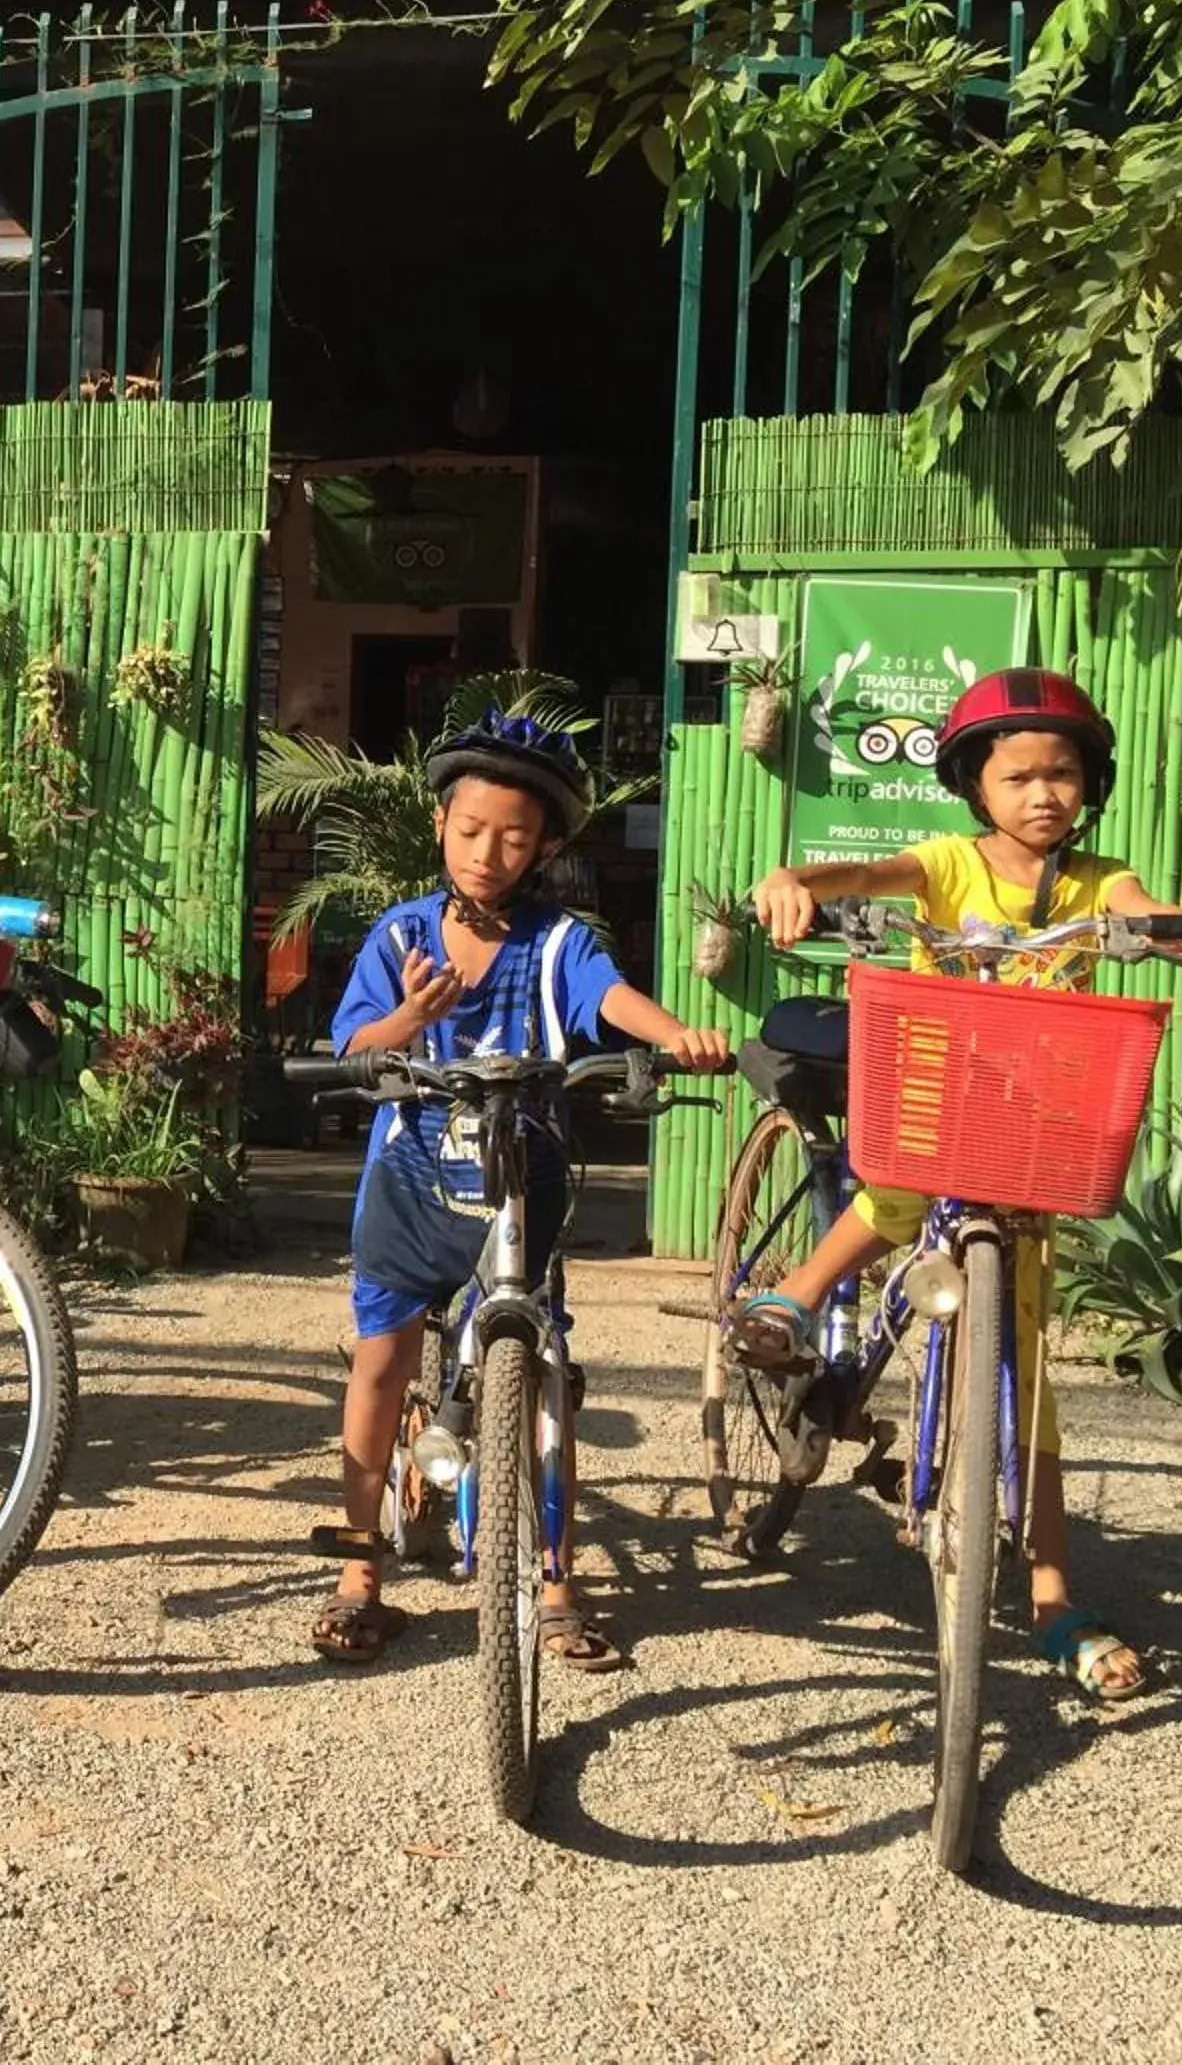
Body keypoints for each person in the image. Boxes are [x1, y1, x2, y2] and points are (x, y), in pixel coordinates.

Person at [741, 667, 1182, 1702]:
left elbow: (1152, 914)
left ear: (1088, 783)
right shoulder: (944, 864)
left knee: (1029, 1384)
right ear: (977, 787)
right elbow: (867, 874)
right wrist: (799, 879)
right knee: (889, 1188)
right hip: (940, 1090)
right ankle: (792, 1297)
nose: (1042, 793)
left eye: (1061, 773)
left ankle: (1055, 1597)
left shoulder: (1101, 879)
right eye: (1016, 775)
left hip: (1038, 1124)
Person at [313, 712, 729, 1667]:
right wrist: (410, 1017)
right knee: (380, 1363)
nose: (490, 853)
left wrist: (671, 1037)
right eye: (471, 831)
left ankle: (555, 1580)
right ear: (439, 828)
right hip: (412, 1185)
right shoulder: (401, 933)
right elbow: (353, 1050)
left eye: (514, 836)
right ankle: (357, 1567)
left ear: (543, 844)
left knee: (545, 1383)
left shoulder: (557, 942)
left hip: (520, 1194)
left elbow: (607, 997)